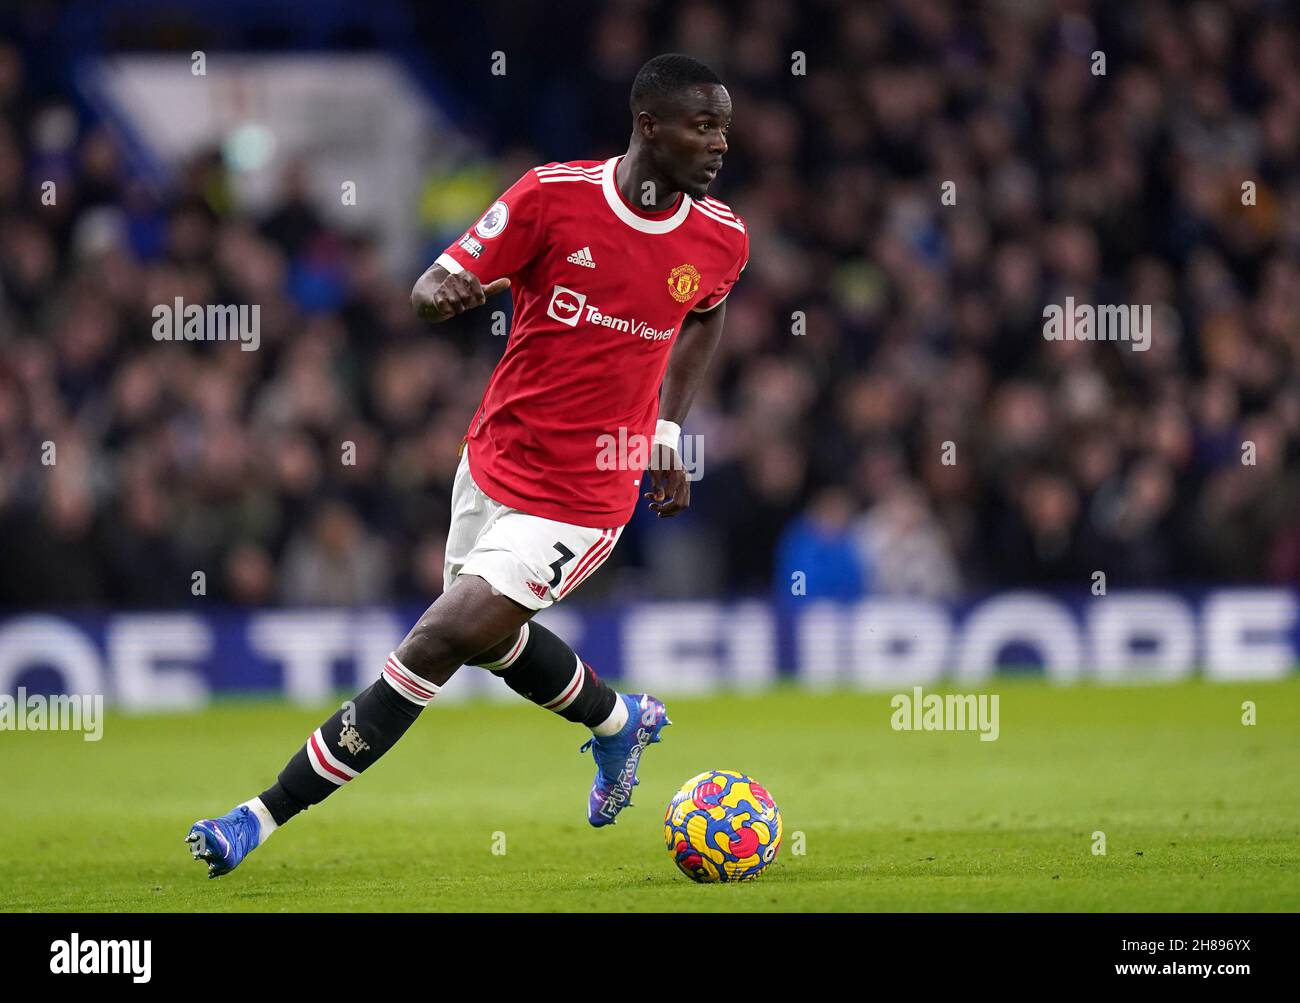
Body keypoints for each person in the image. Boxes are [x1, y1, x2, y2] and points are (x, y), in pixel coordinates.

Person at [186, 53, 749, 877]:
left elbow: (706, 313)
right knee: (490, 641)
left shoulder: (719, 236)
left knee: (442, 635)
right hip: (491, 462)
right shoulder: (552, 197)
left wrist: (666, 433)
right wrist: (444, 291)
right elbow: (434, 282)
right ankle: (618, 719)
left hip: (586, 494)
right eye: (704, 126)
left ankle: (260, 814)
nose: (720, 145)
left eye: (724, 129)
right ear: (648, 125)